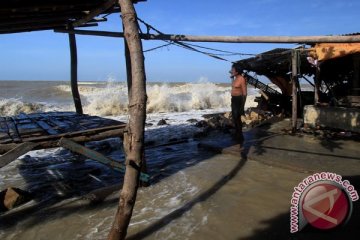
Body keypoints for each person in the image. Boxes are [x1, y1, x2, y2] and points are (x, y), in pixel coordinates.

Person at [230, 63, 247, 142]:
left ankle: (240, 135)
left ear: (237, 71)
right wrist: (232, 77)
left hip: (239, 100)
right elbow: (234, 86)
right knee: (234, 117)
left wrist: (242, 106)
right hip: (233, 99)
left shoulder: (241, 79)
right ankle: (237, 133)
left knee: (237, 117)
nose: (231, 71)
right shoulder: (235, 78)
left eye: (233, 69)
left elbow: (244, 93)